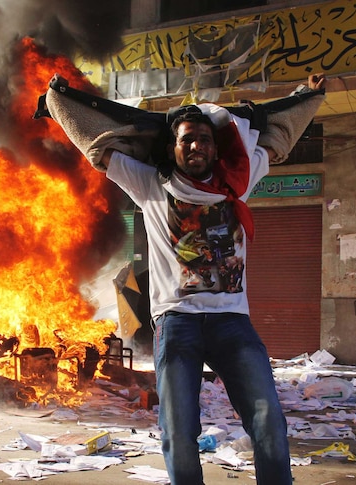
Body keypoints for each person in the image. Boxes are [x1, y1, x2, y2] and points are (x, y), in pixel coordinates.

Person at [45, 73, 326, 484]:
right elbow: (96, 147)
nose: (196, 146)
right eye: (186, 139)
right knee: (178, 431)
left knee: (268, 420)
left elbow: (279, 137)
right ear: (172, 147)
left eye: (204, 139)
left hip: (233, 323)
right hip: (178, 324)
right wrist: (59, 98)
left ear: (216, 148)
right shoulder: (150, 184)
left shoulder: (239, 184)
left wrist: (308, 96)